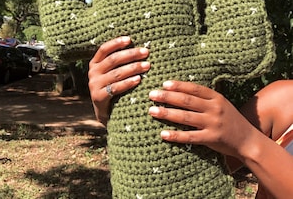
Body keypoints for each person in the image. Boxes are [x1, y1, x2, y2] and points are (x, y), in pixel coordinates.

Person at [88, 36, 293, 199]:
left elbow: (243, 140)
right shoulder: (283, 101)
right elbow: (174, 171)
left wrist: (247, 141)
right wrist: (121, 112)